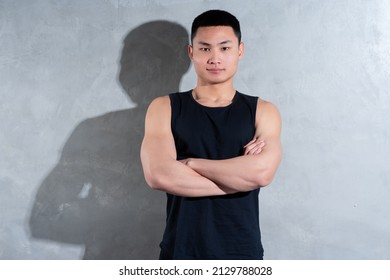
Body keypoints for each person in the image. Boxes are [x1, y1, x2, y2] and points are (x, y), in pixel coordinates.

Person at [140, 10, 282, 259]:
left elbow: (261, 172)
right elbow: (159, 175)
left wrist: (192, 163)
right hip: (181, 251)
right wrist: (238, 181)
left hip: (241, 253)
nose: (215, 58)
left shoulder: (263, 110)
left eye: (225, 48)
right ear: (191, 52)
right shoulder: (164, 107)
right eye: (205, 49)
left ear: (240, 51)